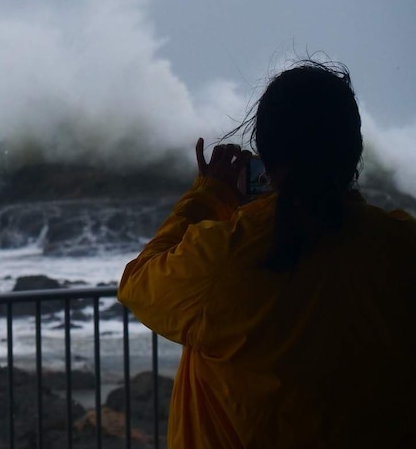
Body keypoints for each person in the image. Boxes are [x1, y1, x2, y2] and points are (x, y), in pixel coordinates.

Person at [117, 61, 416, 448]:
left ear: (268, 157)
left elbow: (138, 283)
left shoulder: (225, 257)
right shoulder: (401, 245)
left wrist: (210, 195)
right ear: (353, 151)